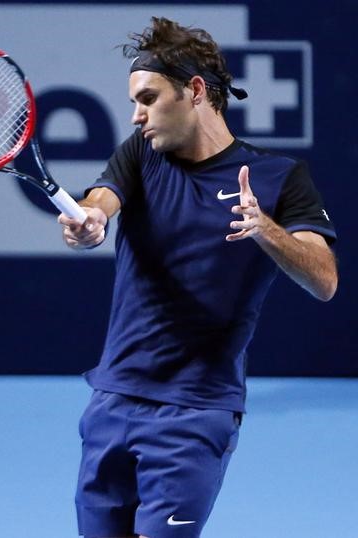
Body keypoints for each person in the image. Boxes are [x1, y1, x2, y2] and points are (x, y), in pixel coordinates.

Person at [58, 17, 338, 538]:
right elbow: (102, 201)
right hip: (112, 400)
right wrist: (92, 220)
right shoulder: (141, 154)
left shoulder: (281, 178)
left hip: (195, 412)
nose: (137, 116)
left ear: (195, 91)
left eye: (147, 98)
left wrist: (266, 231)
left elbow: (324, 280)